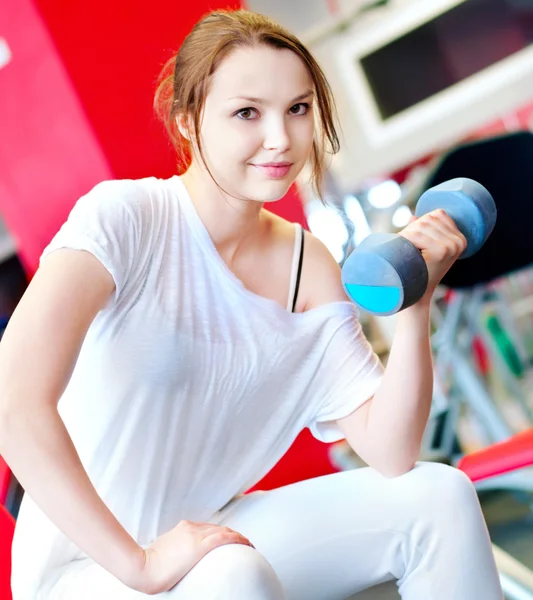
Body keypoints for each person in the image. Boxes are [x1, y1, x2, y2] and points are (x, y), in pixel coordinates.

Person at [0, 9, 503, 600]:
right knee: (234, 573)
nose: (280, 139)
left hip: (209, 535)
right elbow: (13, 403)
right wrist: (140, 565)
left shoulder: (306, 265)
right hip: (91, 568)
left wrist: (414, 305)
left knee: (436, 497)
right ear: (188, 123)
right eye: (246, 113)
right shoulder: (126, 220)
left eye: (298, 108)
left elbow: (392, 451)